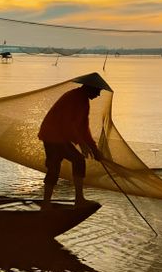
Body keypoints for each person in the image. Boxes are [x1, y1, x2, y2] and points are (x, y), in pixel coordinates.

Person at [38, 75, 109, 205]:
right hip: (52, 136)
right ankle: (50, 204)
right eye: (98, 91)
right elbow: (67, 123)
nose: (98, 95)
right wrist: (81, 143)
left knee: (74, 162)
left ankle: (77, 199)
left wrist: (94, 149)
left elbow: (83, 128)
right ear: (90, 88)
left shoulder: (84, 101)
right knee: (61, 166)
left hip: (61, 138)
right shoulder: (74, 97)